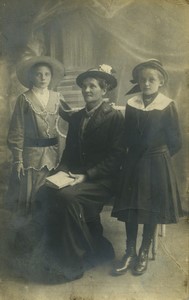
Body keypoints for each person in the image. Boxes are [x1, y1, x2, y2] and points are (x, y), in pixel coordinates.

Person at [34, 64, 124, 281]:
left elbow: (116, 157)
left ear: (104, 90)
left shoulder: (114, 118)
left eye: (92, 86)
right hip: (75, 176)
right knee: (44, 193)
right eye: (84, 86)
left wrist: (87, 175)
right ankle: (54, 254)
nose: (86, 90)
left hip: (102, 180)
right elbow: (69, 154)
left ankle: (74, 260)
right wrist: (59, 174)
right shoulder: (76, 118)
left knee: (66, 198)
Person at [111, 59, 183, 276]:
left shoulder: (167, 105)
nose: (147, 83)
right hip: (133, 162)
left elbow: (175, 141)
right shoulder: (132, 104)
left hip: (156, 164)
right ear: (138, 82)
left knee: (151, 210)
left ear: (160, 82)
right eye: (143, 80)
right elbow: (126, 136)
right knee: (131, 210)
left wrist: (158, 158)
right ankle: (130, 251)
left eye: (152, 79)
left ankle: (144, 251)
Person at [6, 56, 65, 215]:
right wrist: (18, 159)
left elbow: (66, 124)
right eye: (39, 74)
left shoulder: (57, 97)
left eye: (47, 74)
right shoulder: (24, 99)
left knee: (50, 193)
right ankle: (30, 236)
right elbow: (17, 130)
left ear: (51, 77)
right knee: (32, 196)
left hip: (53, 156)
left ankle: (49, 235)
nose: (43, 78)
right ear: (31, 76)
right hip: (31, 156)